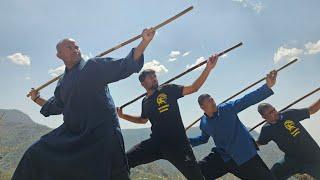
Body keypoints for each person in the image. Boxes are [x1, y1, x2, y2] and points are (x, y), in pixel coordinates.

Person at [12, 28, 155, 180]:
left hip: (102, 134)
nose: (75, 50)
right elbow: (56, 106)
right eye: (69, 47)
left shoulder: (93, 66)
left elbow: (125, 65)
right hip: (74, 135)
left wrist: (144, 42)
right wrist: (36, 98)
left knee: (114, 174)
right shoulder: (62, 82)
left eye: (76, 47)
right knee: (35, 153)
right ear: (59, 55)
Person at [117, 54, 219, 179]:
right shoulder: (145, 101)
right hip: (156, 143)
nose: (154, 79)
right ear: (143, 83)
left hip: (178, 145)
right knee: (125, 160)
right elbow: (143, 120)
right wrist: (122, 116)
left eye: (155, 76)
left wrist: (208, 68)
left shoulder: (168, 90)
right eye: (150, 77)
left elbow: (194, 88)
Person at [188, 71, 278, 180]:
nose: (212, 100)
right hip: (223, 157)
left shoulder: (227, 108)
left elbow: (247, 100)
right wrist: (186, 141)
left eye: (212, 98)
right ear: (202, 107)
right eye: (208, 100)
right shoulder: (204, 122)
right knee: (196, 172)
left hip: (245, 155)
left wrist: (267, 86)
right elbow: (203, 139)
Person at [256, 98, 320, 179]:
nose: (275, 112)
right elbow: (259, 142)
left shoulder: (289, 114)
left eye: (274, 109)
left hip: (313, 157)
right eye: (270, 112)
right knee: (272, 177)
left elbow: (311, 110)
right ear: (264, 117)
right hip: (291, 160)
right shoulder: (267, 129)